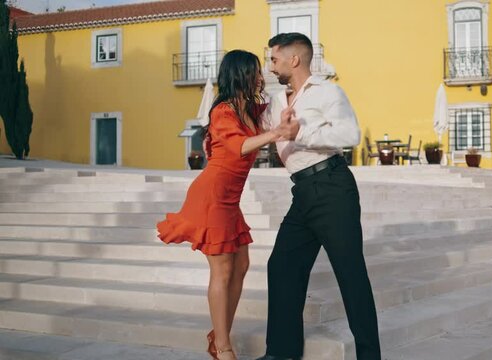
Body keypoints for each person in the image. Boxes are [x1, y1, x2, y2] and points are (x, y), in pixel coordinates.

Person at [255, 33, 382, 360]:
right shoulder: (277, 100)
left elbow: (349, 134)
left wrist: (302, 133)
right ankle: (281, 353)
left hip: (332, 187)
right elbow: (259, 130)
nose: (271, 66)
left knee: (350, 275)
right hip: (302, 193)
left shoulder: (327, 91)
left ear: (293, 59)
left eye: (274, 59)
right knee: (281, 266)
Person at [157, 50, 285, 360]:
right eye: (255, 70)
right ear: (240, 74)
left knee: (241, 265)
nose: (260, 76)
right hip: (212, 196)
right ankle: (223, 346)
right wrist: (275, 133)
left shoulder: (251, 108)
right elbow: (239, 146)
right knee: (223, 270)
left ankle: (219, 333)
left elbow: (282, 106)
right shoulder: (223, 111)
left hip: (230, 199)